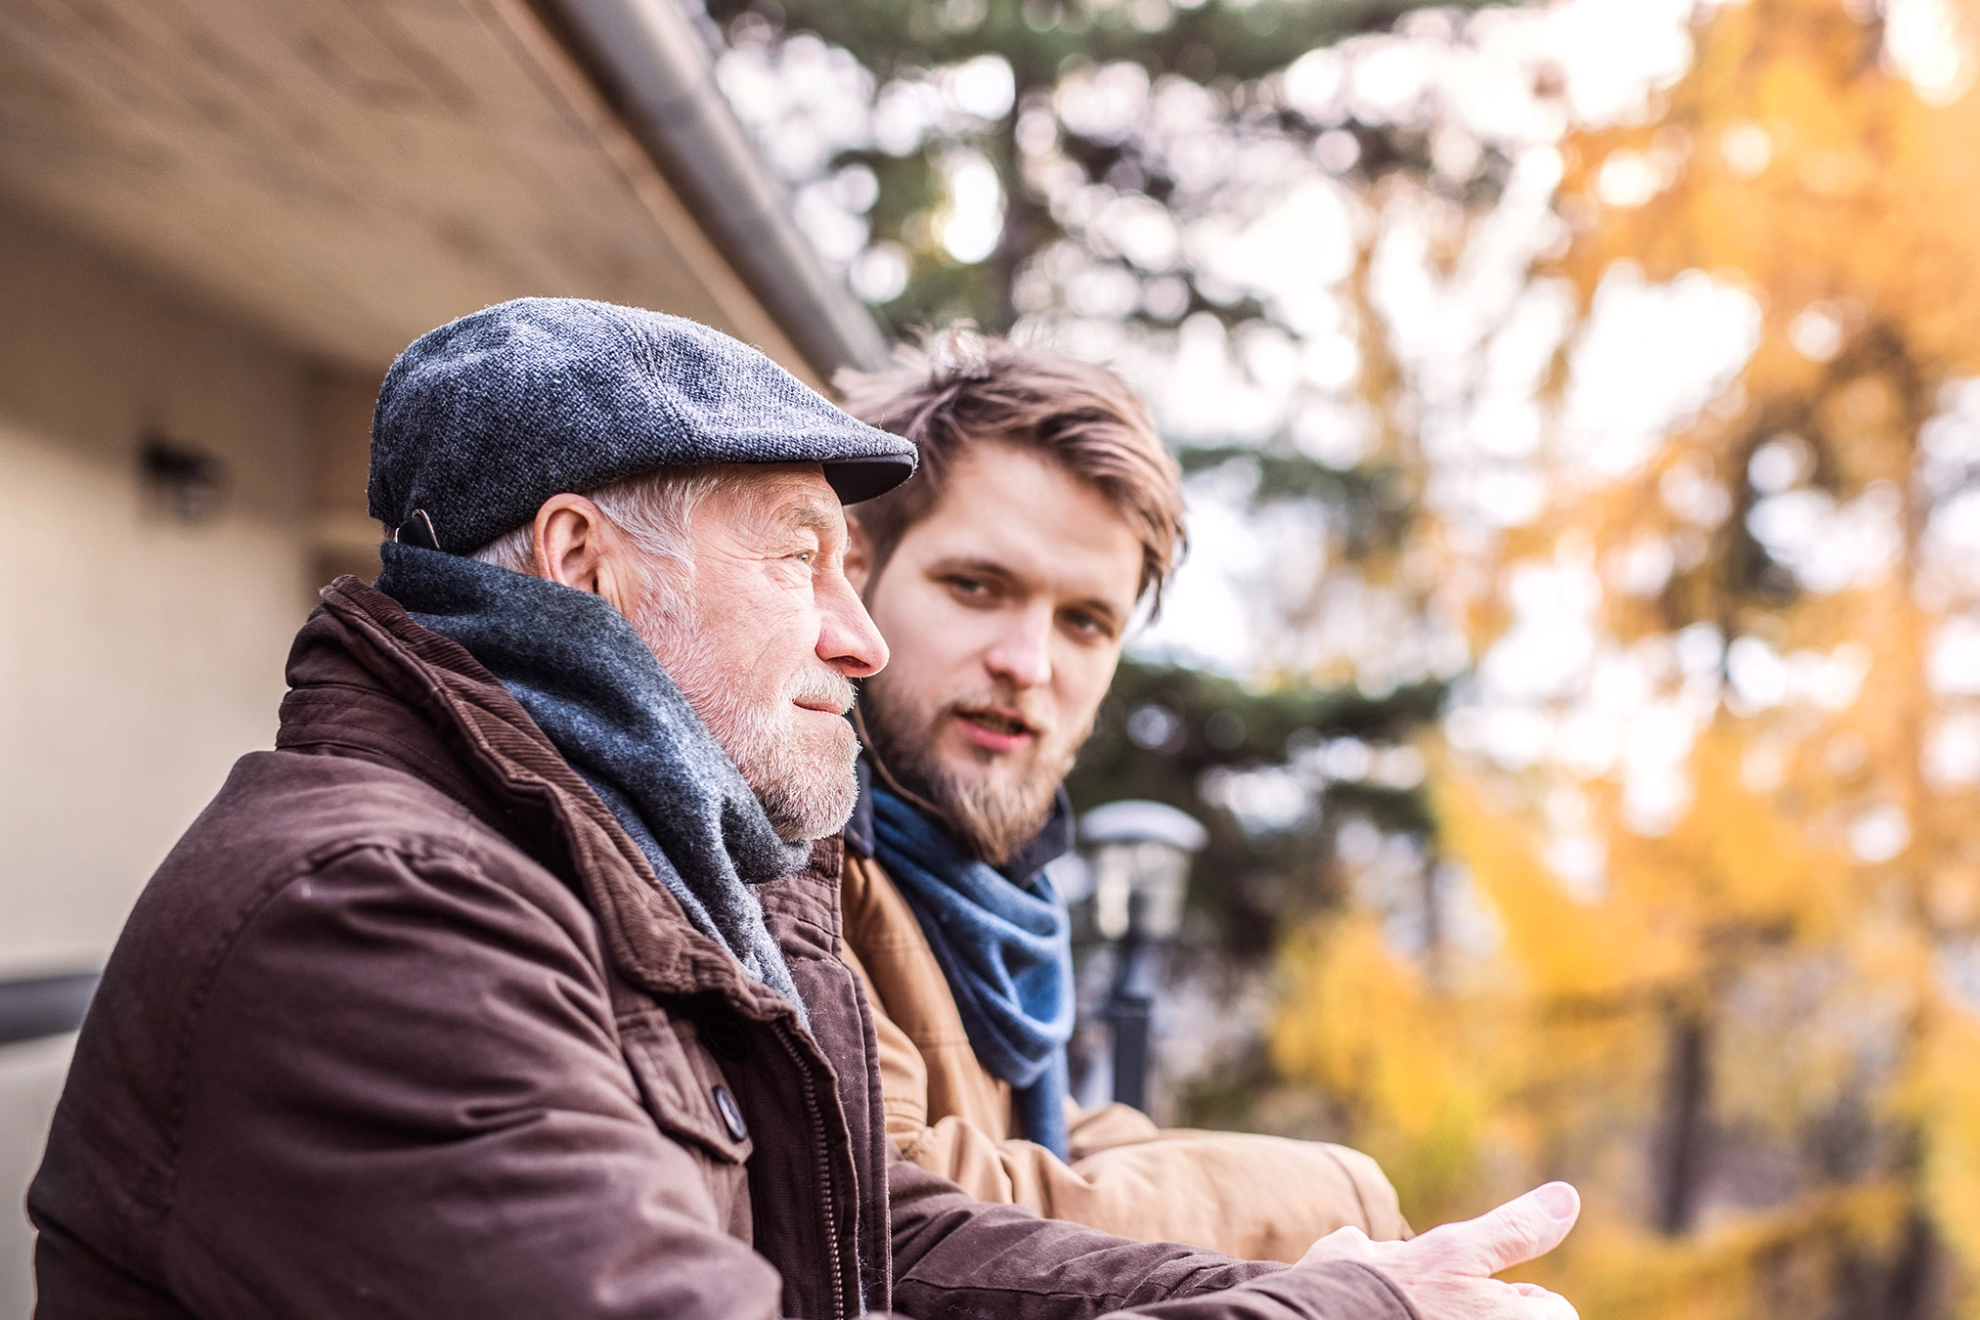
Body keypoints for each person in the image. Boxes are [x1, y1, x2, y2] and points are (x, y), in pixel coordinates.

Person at [29, 298, 1580, 1319]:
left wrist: (1356, 1282)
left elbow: (873, 1238)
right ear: (582, 564)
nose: (862, 635)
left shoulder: (670, 880)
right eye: (799, 560)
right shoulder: (372, 918)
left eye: (855, 565)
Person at [833, 329, 1408, 1263]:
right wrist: (1348, 1199)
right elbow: (894, 1194)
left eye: (1086, 622)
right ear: (853, 564)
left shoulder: (991, 897)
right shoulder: (793, 838)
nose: (1028, 665)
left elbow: (1046, 1145)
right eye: (976, 587)